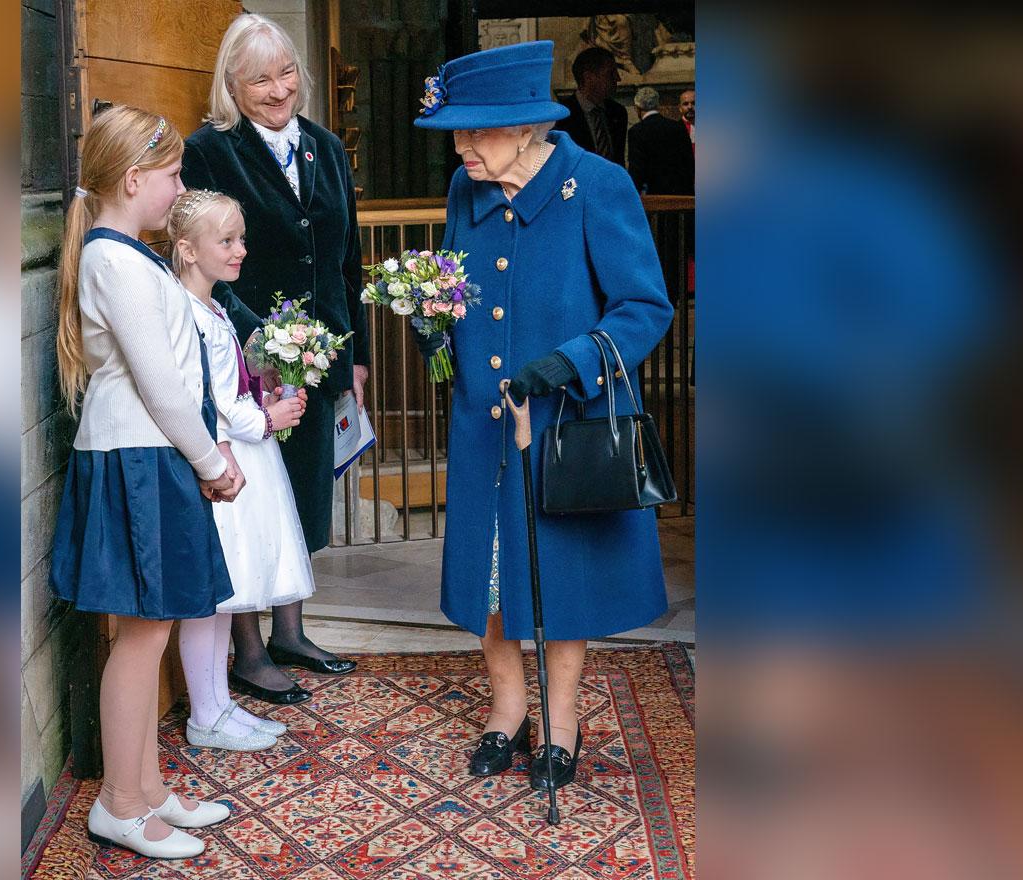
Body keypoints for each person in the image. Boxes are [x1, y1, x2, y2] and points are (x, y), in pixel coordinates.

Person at [413, 41, 673, 792]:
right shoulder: (468, 190)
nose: (461, 148)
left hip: (562, 422)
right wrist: (435, 325)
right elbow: (457, 283)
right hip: (482, 422)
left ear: (528, 128)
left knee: (561, 574)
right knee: (490, 575)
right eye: (455, 133)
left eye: (476, 132)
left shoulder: (598, 186)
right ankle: (507, 710)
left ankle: (562, 720)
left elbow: (643, 308)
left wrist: (572, 362)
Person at [49, 106, 242, 860]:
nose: (180, 188)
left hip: (152, 453)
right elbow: (162, 388)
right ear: (134, 179)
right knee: (140, 637)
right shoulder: (113, 261)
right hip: (139, 455)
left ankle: (149, 787)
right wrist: (212, 463)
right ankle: (119, 803)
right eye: (173, 177)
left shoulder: (131, 255)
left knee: (152, 627)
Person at [181, 12, 370, 703]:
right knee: (254, 496)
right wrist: (262, 340)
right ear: (231, 83)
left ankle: (292, 629)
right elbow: (198, 260)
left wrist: (353, 352)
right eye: (259, 77)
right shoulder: (209, 150)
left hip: (319, 358)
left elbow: (347, 260)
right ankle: (250, 648)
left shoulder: (326, 147)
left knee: (303, 490)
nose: (278, 88)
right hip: (248, 355)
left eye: (286, 72)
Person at [169, 189, 318, 750]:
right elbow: (203, 396)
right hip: (224, 458)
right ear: (186, 250)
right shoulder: (186, 311)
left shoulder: (214, 307)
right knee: (210, 598)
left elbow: (231, 381)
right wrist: (265, 417)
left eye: (241, 239)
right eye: (226, 241)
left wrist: (270, 391)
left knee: (222, 598)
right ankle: (205, 713)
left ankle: (219, 706)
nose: (240, 251)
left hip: (244, 449)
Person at [554, 46, 627, 166]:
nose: (618, 79)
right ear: (588, 77)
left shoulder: (618, 112)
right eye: (610, 73)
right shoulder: (562, 116)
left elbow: (619, 160)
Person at [628, 86, 695, 195]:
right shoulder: (678, 127)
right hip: (682, 196)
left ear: (637, 108)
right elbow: (689, 164)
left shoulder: (636, 132)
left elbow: (637, 171)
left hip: (655, 197)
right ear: (658, 105)